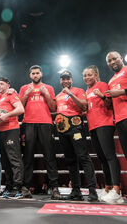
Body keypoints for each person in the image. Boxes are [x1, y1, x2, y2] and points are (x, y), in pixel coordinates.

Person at [19, 65, 63, 199]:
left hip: (45, 123)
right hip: (28, 123)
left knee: (50, 156)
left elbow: (53, 107)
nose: (35, 75)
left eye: (37, 73)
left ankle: (54, 188)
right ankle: (26, 187)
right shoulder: (24, 88)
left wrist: (46, 94)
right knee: (28, 157)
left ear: (41, 74)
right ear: (30, 75)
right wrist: (27, 94)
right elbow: (19, 106)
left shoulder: (48, 88)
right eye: (33, 73)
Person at [55, 70, 98, 201]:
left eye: (67, 78)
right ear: (60, 81)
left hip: (76, 126)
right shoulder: (58, 95)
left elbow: (84, 106)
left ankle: (92, 191)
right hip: (62, 129)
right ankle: (76, 191)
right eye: (63, 79)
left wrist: (71, 94)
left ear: (71, 80)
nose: (65, 81)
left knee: (83, 157)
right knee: (70, 160)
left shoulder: (78, 91)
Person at [83, 65, 123, 203]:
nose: (87, 77)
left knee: (110, 156)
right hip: (93, 126)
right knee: (102, 157)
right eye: (85, 75)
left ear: (96, 74)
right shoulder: (86, 90)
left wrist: (102, 96)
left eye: (89, 74)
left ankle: (117, 190)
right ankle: (108, 187)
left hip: (104, 124)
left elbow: (109, 104)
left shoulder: (102, 84)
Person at [0, 77, 25, 198]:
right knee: (5, 161)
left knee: (14, 159)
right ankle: (9, 186)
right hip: (1, 131)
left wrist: (7, 115)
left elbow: (20, 109)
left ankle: (18, 188)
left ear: (8, 85)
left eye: (2, 84)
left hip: (11, 129)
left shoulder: (11, 94)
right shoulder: (0, 98)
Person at [106, 51, 127, 160]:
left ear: (121, 58)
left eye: (114, 58)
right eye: (109, 61)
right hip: (119, 120)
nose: (112, 62)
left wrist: (120, 92)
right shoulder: (110, 81)